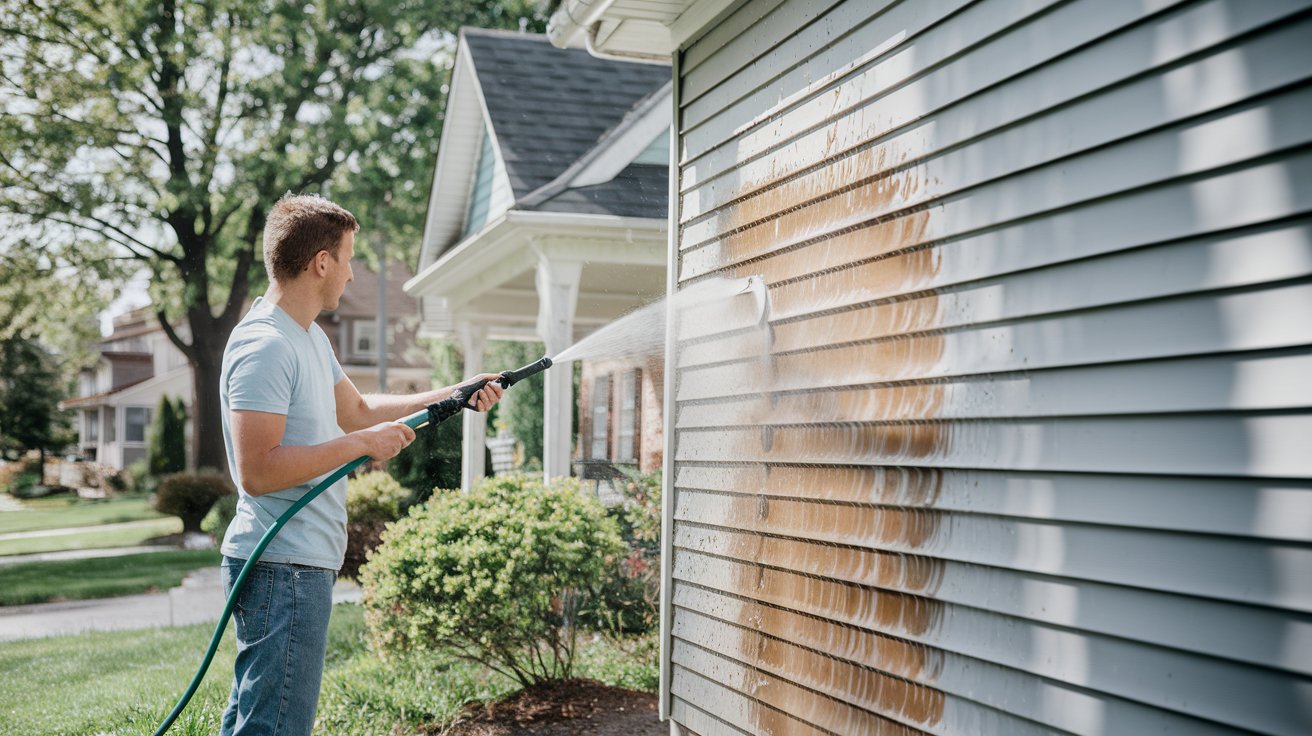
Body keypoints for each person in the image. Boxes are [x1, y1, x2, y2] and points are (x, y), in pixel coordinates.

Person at [217, 193, 503, 735]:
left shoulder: (306, 338)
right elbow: (258, 471)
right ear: (321, 262)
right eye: (348, 258)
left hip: (299, 562)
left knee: (257, 722)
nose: (351, 274)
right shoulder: (266, 345)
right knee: (275, 726)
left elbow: (358, 411)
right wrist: (362, 446)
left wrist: (456, 394)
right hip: (283, 562)